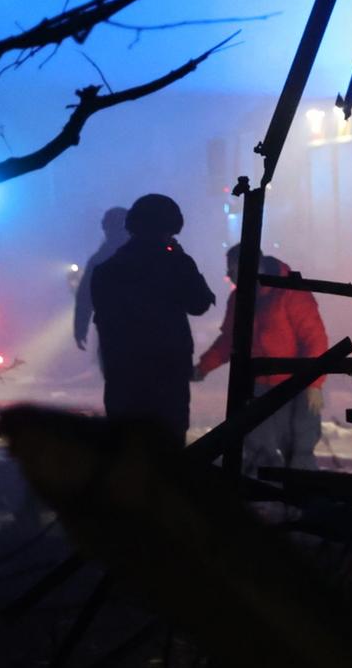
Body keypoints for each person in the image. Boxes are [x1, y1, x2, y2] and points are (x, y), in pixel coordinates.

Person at [87, 193, 215, 438]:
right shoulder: (176, 263)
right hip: (168, 372)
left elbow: (104, 319)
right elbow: (199, 304)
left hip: (122, 374)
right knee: (168, 445)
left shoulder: (107, 269)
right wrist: (182, 259)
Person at [195, 247, 330, 472]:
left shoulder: (289, 292)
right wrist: (203, 367)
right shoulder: (239, 297)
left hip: (294, 387)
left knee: (298, 451)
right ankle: (269, 501)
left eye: (233, 270)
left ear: (253, 266)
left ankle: (301, 500)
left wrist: (314, 385)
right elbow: (230, 340)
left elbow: (315, 340)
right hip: (257, 388)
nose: (230, 276)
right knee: (260, 449)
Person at [72, 205, 129, 361]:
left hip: (112, 331)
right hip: (149, 333)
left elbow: (84, 297)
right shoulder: (150, 254)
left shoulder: (99, 259)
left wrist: (80, 328)